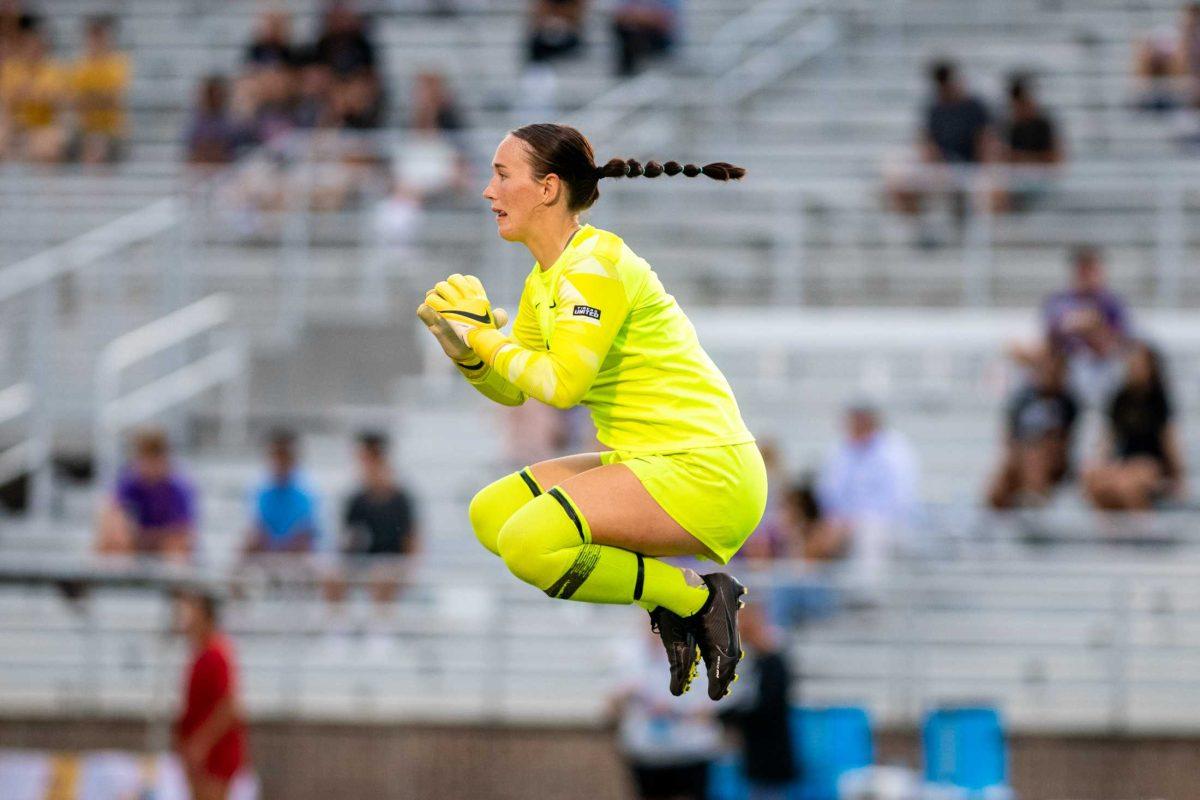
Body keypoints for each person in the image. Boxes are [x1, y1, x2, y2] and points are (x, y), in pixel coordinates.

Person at [416, 123, 765, 701]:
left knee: (530, 544)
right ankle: (678, 598)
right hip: (654, 460)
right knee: (490, 514)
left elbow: (561, 384)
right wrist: (464, 353)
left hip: (704, 468)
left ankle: (696, 598)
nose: (488, 191)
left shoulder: (596, 264)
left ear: (548, 188)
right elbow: (514, 391)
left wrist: (483, 339)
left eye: (502, 175)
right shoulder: (544, 280)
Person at [609, 628, 722, 800]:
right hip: (647, 754)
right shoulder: (628, 655)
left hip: (690, 752)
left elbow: (714, 707)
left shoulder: (701, 654)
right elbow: (611, 708)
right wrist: (626, 695)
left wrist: (675, 710)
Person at [815, 400, 919, 586]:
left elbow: (898, 499)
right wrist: (838, 520)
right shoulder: (839, 449)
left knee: (870, 532)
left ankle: (867, 599)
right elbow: (829, 493)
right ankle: (819, 595)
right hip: (844, 522)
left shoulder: (894, 450)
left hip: (886, 522)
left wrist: (855, 520)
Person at [885, 60, 995, 221]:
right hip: (941, 168)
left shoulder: (974, 107)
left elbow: (985, 141)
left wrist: (977, 170)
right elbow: (926, 143)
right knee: (900, 180)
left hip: (971, 168)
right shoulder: (934, 109)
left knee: (986, 190)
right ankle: (917, 228)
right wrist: (937, 164)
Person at [1084, 342, 1186, 511]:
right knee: (1096, 481)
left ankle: (1143, 528)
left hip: (1151, 463)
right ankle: (1110, 532)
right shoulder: (1120, 399)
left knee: (1128, 484)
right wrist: (1102, 464)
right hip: (1125, 461)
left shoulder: (1158, 400)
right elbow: (1109, 438)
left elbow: (1168, 440)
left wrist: (1178, 477)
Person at [325, 431, 420, 607]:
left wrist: (409, 569)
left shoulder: (400, 498)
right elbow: (348, 538)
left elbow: (411, 540)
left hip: (392, 562)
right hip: (363, 561)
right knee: (333, 575)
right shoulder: (356, 498)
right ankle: (338, 626)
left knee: (381, 574)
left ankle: (381, 627)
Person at [718, 605, 799, 800]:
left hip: (769, 750)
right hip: (758, 749)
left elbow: (764, 706)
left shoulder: (773, 663)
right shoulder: (758, 662)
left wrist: (725, 716)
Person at [174, 591, 248, 800]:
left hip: (216, 753)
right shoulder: (200, 653)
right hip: (201, 750)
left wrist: (201, 743)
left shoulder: (217, 654)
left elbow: (229, 706)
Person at [987, 348, 1079, 509]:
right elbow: (1009, 437)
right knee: (1001, 481)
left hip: (1053, 462)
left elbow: (1064, 443)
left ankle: (1034, 503)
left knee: (1035, 456)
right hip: (1020, 457)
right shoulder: (1022, 400)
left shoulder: (1068, 403)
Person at [1041, 245, 1129, 408]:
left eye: (1091, 270)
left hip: (1104, 364)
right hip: (1066, 364)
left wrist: (1094, 327)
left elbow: (1122, 338)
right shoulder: (1059, 300)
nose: (1087, 276)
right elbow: (1052, 331)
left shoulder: (1111, 302)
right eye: (1083, 270)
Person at [96, 428, 196, 561]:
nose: (147, 466)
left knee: (176, 546)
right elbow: (112, 514)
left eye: (152, 459)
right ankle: (110, 575)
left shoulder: (178, 487)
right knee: (111, 526)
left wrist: (148, 538)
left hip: (164, 543)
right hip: (138, 541)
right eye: (143, 459)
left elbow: (182, 532)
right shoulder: (130, 482)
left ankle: (171, 578)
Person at [990, 74, 1062, 213]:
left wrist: (1021, 158)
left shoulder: (1044, 125)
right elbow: (1000, 157)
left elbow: (1055, 159)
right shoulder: (1008, 125)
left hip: (1040, 179)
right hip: (1015, 179)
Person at [243, 430, 320, 557]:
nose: (280, 463)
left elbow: (306, 539)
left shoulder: (308, 495)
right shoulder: (260, 494)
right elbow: (257, 534)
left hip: (297, 560)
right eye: (276, 457)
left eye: (284, 457)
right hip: (267, 558)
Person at [0, 22, 68, 162]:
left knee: (46, 145)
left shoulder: (53, 70)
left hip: (44, 124)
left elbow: (55, 100)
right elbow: (7, 99)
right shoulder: (11, 69)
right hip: (15, 124)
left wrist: (28, 95)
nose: (32, 50)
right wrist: (34, 95)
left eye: (36, 46)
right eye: (28, 46)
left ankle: (47, 183)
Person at [71, 16, 130, 164]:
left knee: (97, 147)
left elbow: (115, 99)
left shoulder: (118, 63)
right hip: (84, 129)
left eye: (99, 36)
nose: (96, 42)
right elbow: (75, 102)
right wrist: (101, 96)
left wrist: (89, 97)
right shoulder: (80, 65)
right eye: (93, 37)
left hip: (112, 130)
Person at [612, 0, 680, 76]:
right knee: (629, 29)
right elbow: (620, 15)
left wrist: (639, 16)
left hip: (659, 39)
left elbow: (666, 20)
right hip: (636, 36)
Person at [527, 0, 586, 65]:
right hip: (547, 37)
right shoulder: (545, 5)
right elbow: (537, 22)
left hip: (568, 38)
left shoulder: (575, 5)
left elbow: (577, 23)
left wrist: (564, 25)